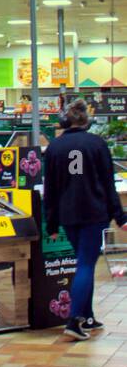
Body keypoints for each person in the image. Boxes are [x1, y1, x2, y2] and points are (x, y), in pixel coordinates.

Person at [42, 97, 127, 341]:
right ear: (87, 121)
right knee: (86, 264)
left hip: (68, 215)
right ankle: (74, 319)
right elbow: (108, 184)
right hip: (94, 213)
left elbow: (52, 189)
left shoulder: (55, 147)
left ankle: (88, 316)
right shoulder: (97, 144)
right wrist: (119, 217)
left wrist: (53, 222)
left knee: (82, 261)